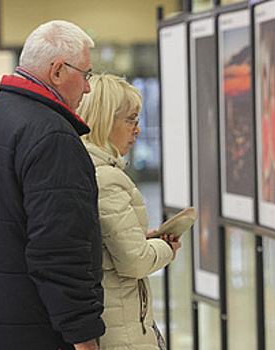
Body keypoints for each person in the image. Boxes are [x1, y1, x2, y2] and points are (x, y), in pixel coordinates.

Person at [0, 20, 105, 350]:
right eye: (86, 75)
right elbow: (59, 253)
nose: (87, 89)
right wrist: (83, 339)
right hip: (30, 329)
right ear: (57, 71)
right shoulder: (52, 136)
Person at [77, 74, 181, 350]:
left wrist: (141, 239)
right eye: (131, 119)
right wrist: (165, 248)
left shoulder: (84, 167)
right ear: (104, 120)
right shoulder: (106, 179)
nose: (137, 130)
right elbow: (133, 262)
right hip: (121, 327)